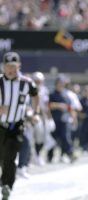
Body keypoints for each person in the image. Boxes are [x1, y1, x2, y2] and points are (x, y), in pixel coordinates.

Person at [0, 52, 40, 200]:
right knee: (2, 157)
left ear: (19, 66)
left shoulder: (27, 82)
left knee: (10, 157)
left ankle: (6, 186)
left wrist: (35, 112)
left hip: (17, 126)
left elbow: (35, 95)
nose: (11, 70)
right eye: (8, 66)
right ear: (4, 67)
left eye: (14, 66)